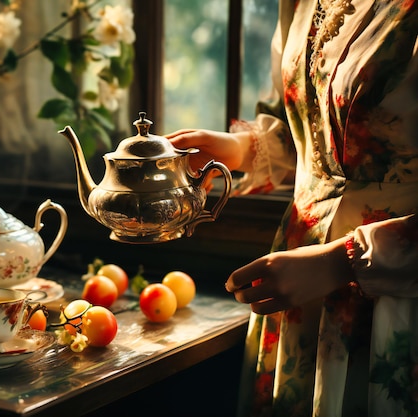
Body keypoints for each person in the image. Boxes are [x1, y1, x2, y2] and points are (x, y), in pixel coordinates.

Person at [165, 1, 418, 416]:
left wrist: (339, 262)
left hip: (395, 296)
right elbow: (314, 128)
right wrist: (237, 149)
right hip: (294, 285)